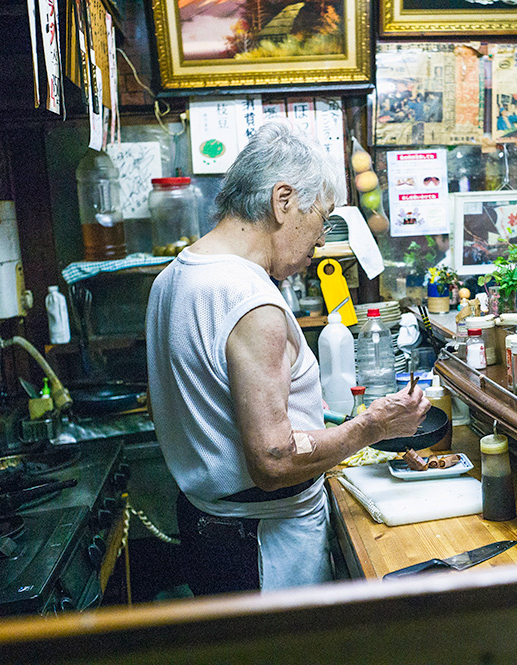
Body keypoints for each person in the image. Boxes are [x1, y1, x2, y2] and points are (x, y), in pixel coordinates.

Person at [146, 121, 430, 596]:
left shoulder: (171, 279)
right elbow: (274, 461)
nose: (320, 240)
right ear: (283, 201)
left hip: (206, 530)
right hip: (262, 546)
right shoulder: (250, 300)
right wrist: (370, 428)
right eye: (321, 217)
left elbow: (185, 410)